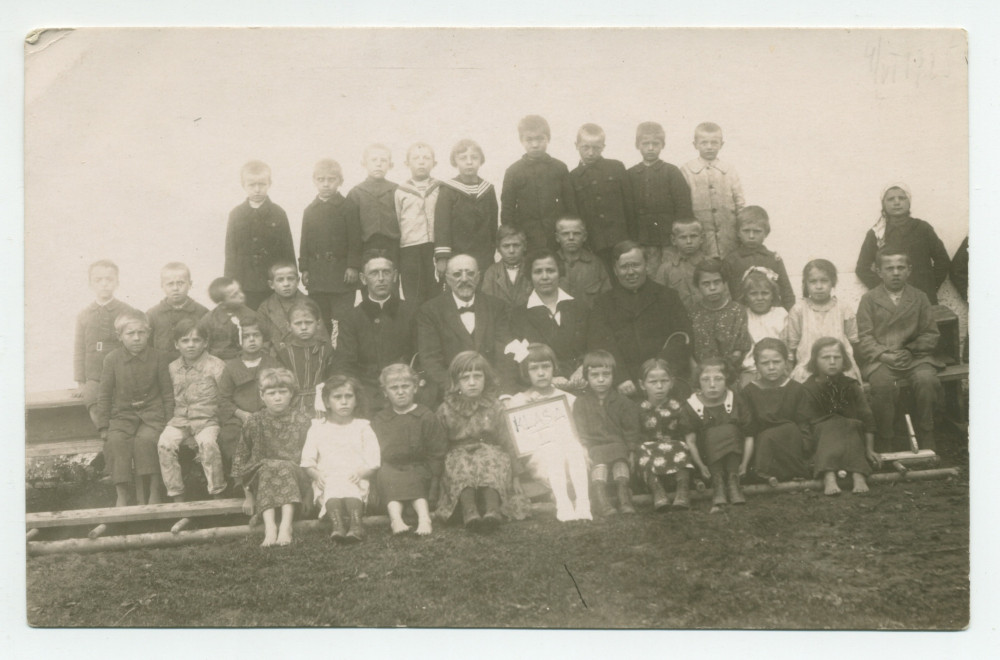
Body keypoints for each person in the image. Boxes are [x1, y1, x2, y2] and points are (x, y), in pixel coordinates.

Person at [856, 249, 943, 451]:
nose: (895, 273)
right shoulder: (869, 299)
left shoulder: (919, 297)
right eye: (889, 268)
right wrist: (883, 355)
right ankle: (886, 437)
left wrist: (911, 350)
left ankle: (927, 432)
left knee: (927, 381)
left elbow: (930, 333)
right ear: (879, 271)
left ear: (909, 270)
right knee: (882, 385)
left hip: (915, 358)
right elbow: (864, 336)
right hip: (882, 359)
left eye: (900, 268)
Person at [434, 351, 529, 530]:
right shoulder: (446, 409)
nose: (472, 382)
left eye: (477, 376)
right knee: (460, 461)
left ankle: (493, 510)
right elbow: (439, 446)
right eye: (465, 378)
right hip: (458, 454)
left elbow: (508, 441)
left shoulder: (495, 407)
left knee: (492, 458)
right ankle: (469, 511)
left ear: (486, 378)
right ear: (456, 382)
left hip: (491, 450)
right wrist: (438, 477)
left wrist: (516, 476)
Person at [588, 241, 693, 393]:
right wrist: (621, 378)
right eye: (624, 267)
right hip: (625, 386)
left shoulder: (668, 297)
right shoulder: (603, 303)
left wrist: (661, 368)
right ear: (615, 270)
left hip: (665, 381)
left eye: (635, 265)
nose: (630, 272)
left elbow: (683, 337)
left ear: (647, 266)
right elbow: (600, 344)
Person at [95, 311, 174, 507]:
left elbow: (167, 394)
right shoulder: (112, 359)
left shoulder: (159, 358)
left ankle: (154, 490)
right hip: (123, 415)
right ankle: (122, 493)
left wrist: (170, 421)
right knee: (116, 441)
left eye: (141, 332)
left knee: (147, 440)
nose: (137, 338)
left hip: (152, 415)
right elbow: (104, 394)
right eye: (130, 334)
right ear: (119, 336)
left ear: (148, 333)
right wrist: (103, 426)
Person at [506, 344, 591, 522]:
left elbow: (577, 433)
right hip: (540, 459)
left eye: (546, 366)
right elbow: (517, 440)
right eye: (534, 368)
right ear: (525, 372)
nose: (541, 373)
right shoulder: (518, 401)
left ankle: (583, 502)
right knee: (553, 449)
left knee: (573, 448)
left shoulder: (567, 398)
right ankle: (563, 503)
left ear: (554, 367)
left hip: (571, 457)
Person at [232, 367, 312, 546]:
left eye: (282, 392)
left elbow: (311, 457)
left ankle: (285, 526)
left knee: (282, 466)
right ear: (262, 396)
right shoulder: (255, 420)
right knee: (268, 466)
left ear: (291, 394)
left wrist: (308, 494)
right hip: (261, 477)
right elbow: (241, 457)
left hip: (295, 476)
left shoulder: (302, 420)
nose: (277, 398)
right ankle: (270, 527)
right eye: (271, 393)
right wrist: (248, 495)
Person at [416, 254, 517, 397]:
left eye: (470, 273)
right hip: (451, 393)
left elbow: (506, 354)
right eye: (457, 274)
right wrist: (457, 389)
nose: (464, 279)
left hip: (492, 392)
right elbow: (431, 360)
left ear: (478, 276)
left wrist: (503, 393)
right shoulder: (430, 311)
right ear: (447, 278)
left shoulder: (496, 307)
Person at [335, 252, 421, 410]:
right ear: (363, 279)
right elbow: (344, 364)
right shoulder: (351, 318)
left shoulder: (411, 312)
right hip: (366, 395)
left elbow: (420, 357)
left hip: (405, 392)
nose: (381, 278)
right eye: (374, 273)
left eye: (386, 272)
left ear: (395, 276)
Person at [301, 375, 381, 543]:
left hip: (356, 477)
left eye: (349, 396)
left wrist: (361, 473)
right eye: (337, 397)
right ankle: (337, 526)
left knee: (349, 484)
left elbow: (374, 460)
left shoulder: (362, 427)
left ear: (356, 400)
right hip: (327, 478)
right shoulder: (317, 428)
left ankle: (356, 524)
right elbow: (307, 461)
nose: (344, 402)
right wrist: (317, 475)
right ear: (327, 402)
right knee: (333, 484)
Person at [371, 364, 448, 535]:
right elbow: (373, 452)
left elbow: (437, 451)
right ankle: (396, 520)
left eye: (405, 386)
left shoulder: (425, 416)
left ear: (415, 388)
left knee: (416, 476)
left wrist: (435, 481)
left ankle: (424, 519)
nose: (400, 392)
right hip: (390, 467)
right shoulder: (380, 419)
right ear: (385, 392)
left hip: (418, 466)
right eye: (394, 388)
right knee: (387, 475)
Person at [157, 319, 228, 502]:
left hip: (208, 420)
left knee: (207, 443)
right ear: (176, 344)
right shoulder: (172, 368)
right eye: (185, 340)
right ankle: (176, 495)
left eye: (196, 340)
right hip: (180, 420)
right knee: (165, 443)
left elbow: (225, 397)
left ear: (206, 342)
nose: (191, 345)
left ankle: (217, 493)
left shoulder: (216, 366)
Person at [800, 337, 882, 496]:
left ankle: (858, 474)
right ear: (815, 360)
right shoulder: (807, 389)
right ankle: (828, 476)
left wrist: (870, 449)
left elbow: (867, 417)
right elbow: (804, 422)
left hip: (851, 433)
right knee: (832, 424)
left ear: (843, 360)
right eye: (825, 357)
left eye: (837, 357)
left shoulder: (851, 385)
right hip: (822, 437)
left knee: (849, 423)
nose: (832, 362)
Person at [855, 183, 950, 304]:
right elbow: (862, 268)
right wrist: (885, 290)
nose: (896, 202)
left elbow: (943, 261)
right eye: (890, 199)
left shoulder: (923, 228)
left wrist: (930, 286)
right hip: (892, 301)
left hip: (923, 297)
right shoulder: (876, 233)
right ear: (883, 204)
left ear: (909, 202)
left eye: (901, 198)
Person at [572, 350, 641, 517]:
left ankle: (623, 496)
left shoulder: (624, 402)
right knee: (599, 461)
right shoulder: (581, 403)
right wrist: (584, 448)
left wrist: (631, 451)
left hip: (618, 446)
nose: (601, 379)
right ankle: (602, 499)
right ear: (586, 377)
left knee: (620, 457)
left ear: (613, 375)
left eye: (606, 374)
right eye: (595, 375)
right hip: (595, 446)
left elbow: (631, 430)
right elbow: (580, 429)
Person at [510, 250, 590, 388]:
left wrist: (584, 369)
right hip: (543, 389)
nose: (545, 276)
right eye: (538, 272)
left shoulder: (580, 307)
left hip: (583, 383)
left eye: (550, 270)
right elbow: (517, 360)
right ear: (530, 275)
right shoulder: (518, 315)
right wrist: (550, 379)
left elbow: (595, 345)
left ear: (560, 272)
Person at [73, 259, 139, 429]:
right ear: (90, 284)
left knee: (123, 409)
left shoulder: (127, 311)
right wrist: (81, 382)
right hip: (94, 377)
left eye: (109, 279)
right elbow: (79, 349)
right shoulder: (84, 314)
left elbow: (134, 345)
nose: (104, 284)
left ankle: (120, 440)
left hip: (121, 374)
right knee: (95, 406)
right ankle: (108, 438)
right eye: (98, 280)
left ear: (117, 282)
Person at [298, 159, 362, 329]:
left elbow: (355, 239)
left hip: (342, 275)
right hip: (318, 276)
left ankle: (343, 354)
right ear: (314, 181)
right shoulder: (309, 210)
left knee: (344, 321)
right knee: (320, 321)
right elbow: (304, 241)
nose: (326, 184)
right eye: (321, 179)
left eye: (331, 179)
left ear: (340, 181)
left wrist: (353, 266)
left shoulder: (348, 206)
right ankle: (323, 355)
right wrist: (304, 268)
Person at [224, 160, 296, 310]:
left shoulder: (278, 213)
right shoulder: (236, 215)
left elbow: (287, 250)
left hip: (271, 283)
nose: (257, 189)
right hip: (245, 284)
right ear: (243, 185)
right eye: (251, 185)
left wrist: (290, 279)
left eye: (262, 184)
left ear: (270, 183)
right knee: (249, 325)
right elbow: (230, 252)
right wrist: (230, 285)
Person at [217, 317, 281, 484]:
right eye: (246, 336)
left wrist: (268, 411)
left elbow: (281, 391)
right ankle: (241, 479)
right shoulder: (231, 366)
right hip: (239, 418)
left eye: (256, 335)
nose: (251, 340)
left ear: (263, 338)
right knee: (230, 434)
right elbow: (223, 399)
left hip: (268, 414)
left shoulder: (272, 363)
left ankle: (267, 479)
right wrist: (241, 414)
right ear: (239, 340)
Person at [500, 115, 577, 253]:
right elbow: (507, 211)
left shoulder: (559, 168)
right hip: (527, 239)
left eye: (540, 139)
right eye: (529, 139)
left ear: (548, 139)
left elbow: (571, 205)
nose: (535, 144)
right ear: (521, 140)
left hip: (556, 238)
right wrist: (514, 239)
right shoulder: (513, 171)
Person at [682, 358, 751, 511]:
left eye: (718, 379)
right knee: (713, 433)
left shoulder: (735, 400)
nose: (712, 385)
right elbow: (690, 441)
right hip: (706, 459)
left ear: (727, 379)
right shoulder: (692, 405)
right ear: (698, 381)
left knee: (729, 429)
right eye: (705, 379)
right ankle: (718, 484)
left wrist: (745, 464)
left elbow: (749, 435)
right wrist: (701, 466)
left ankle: (733, 483)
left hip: (735, 456)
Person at [636, 358, 704, 511]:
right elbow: (636, 434)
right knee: (642, 450)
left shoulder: (678, 406)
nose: (659, 387)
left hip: (675, 452)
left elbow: (686, 432)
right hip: (650, 453)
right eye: (653, 382)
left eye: (664, 381)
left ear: (672, 382)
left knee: (680, 446)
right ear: (642, 385)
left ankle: (683, 491)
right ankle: (657, 492)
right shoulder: (638, 409)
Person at [739, 338, 811, 484]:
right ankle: (766, 473)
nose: (771, 367)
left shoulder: (796, 389)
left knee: (788, 428)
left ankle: (774, 473)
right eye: (765, 363)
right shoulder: (749, 391)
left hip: (791, 441)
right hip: (763, 445)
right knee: (766, 436)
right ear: (756, 366)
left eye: (777, 362)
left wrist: (805, 447)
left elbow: (804, 422)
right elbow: (749, 427)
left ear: (786, 362)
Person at [627, 121, 693, 275]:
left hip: (668, 237)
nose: (650, 148)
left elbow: (683, 205)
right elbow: (627, 208)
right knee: (647, 273)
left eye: (655, 143)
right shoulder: (630, 174)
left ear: (662, 145)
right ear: (638, 145)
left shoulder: (671, 172)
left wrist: (680, 234)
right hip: (642, 237)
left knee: (671, 271)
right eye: (646, 143)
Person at [569, 123, 636, 270]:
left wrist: (632, 240)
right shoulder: (572, 177)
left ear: (603, 147)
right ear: (576, 145)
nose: (591, 153)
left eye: (596, 148)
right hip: (593, 244)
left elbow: (629, 206)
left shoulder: (616, 167)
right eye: (585, 147)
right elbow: (575, 214)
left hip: (621, 240)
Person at [786, 259, 862, 383]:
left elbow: (853, 339)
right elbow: (792, 345)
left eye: (824, 281)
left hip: (839, 366)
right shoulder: (798, 310)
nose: (819, 286)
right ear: (805, 284)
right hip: (808, 367)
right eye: (813, 281)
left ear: (833, 282)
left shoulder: (843, 308)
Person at [434, 139, 499, 275]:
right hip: (457, 254)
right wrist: (442, 258)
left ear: (481, 160)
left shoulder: (488, 190)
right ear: (455, 161)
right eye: (463, 158)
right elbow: (442, 226)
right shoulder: (448, 190)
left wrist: (491, 250)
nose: (469, 162)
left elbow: (492, 224)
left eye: (474, 157)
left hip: (483, 256)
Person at [680, 122, 745, 258]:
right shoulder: (687, 170)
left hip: (728, 236)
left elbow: (740, 203)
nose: (709, 147)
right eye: (704, 142)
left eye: (714, 142)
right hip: (701, 236)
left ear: (722, 144)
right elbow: (683, 205)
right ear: (695, 144)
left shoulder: (729, 170)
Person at [689, 258, 753, 382]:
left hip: (731, 374)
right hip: (701, 375)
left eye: (717, 282)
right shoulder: (692, 313)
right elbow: (689, 351)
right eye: (706, 284)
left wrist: (724, 372)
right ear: (697, 286)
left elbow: (739, 349)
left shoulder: (737, 311)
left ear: (725, 283)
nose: (712, 288)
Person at [395, 142, 441, 305]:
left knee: (435, 293)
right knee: (413, 295)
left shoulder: (440, 188)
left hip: (434, 248)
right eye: (416, 158)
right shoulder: (401, 191)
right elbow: (397, 219)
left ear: (434, 163)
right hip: (409, 249)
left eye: (426, 158)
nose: (421, 162)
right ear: (407, 164)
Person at [721, 206, 795, 310]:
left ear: (766, 233)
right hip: (743, 316)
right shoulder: (731, 260)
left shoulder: (773, 259)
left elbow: (787, 292)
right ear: (738, 232)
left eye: (757, 231)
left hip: (771, 316)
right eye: (746, 231)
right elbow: (725, 293)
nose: (751, 236)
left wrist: (790, 315)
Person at [274, 299, 335, 417]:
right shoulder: (284, 353)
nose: (303, 327)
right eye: (298, 323)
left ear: (318, 324)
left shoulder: (326, 350)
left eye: (308, 322)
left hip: (321, 403)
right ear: (289, 326)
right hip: (292, 405)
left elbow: (332, 379)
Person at [347, 143, 400, 266]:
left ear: (390, 165)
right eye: (374, 160)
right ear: (364, 163)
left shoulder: (396, 190)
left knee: (391, 282)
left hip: (392, 249)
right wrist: (353, 263)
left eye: (383, 160)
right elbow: (351, 232)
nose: (378, 164)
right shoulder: (356, 193)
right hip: (365, 250)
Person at [255, 261, 328, 348]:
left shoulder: (310, 305)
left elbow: (322, 338)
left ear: (297, 281)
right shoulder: (265, 308)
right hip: (275, 357)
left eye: (290, 279)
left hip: (306, 355)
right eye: (280, 280)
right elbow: (259, 340)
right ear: (271, 284)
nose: (286, 284)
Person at [146, 262, 209, 362]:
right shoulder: (152, 314)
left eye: (180, 283)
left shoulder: (202, 313)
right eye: (170, 284)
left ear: (190, 284)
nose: (175, 288)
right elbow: (147, 346)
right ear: (162, 285)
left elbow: (208, 344)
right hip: (162, 368)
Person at [739, 268, 789, 387]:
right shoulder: (742, 315)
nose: (760, 298)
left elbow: (788, 344)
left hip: (778, 370)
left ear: (773, 295)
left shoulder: (781, 314)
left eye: (765, 293)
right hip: (751, 371)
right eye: (753, 294)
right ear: (746, 296)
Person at [553, 216, 611, 307]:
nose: (571, 238)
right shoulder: (549, 263)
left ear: (584, 237)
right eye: (565, 234)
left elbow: (607, 298)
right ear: (557, 237)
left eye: (576, 233)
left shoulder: (596, 264)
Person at [651, 217, 708, 311]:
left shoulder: (712, 264)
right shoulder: (666, 269)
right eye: (683, 237)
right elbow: (659, 300)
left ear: (702, 238)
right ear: (673, 240)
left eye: (693, 236)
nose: (689, 241)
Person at [197, 277, 258, 360]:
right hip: (219, 361)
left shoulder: (251, 314)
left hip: (246, 358)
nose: (241, 295)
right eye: (234, 295)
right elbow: (202, 343)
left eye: (240, 290)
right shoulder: (209, 320)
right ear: (222, 304)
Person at [480, 225, 532, 308]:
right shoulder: (491, 273)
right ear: (498, 249)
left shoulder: (532, 269)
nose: (511, 251)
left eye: (516, 245)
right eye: (506, 246)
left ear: (524, 246)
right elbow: (487, 306)